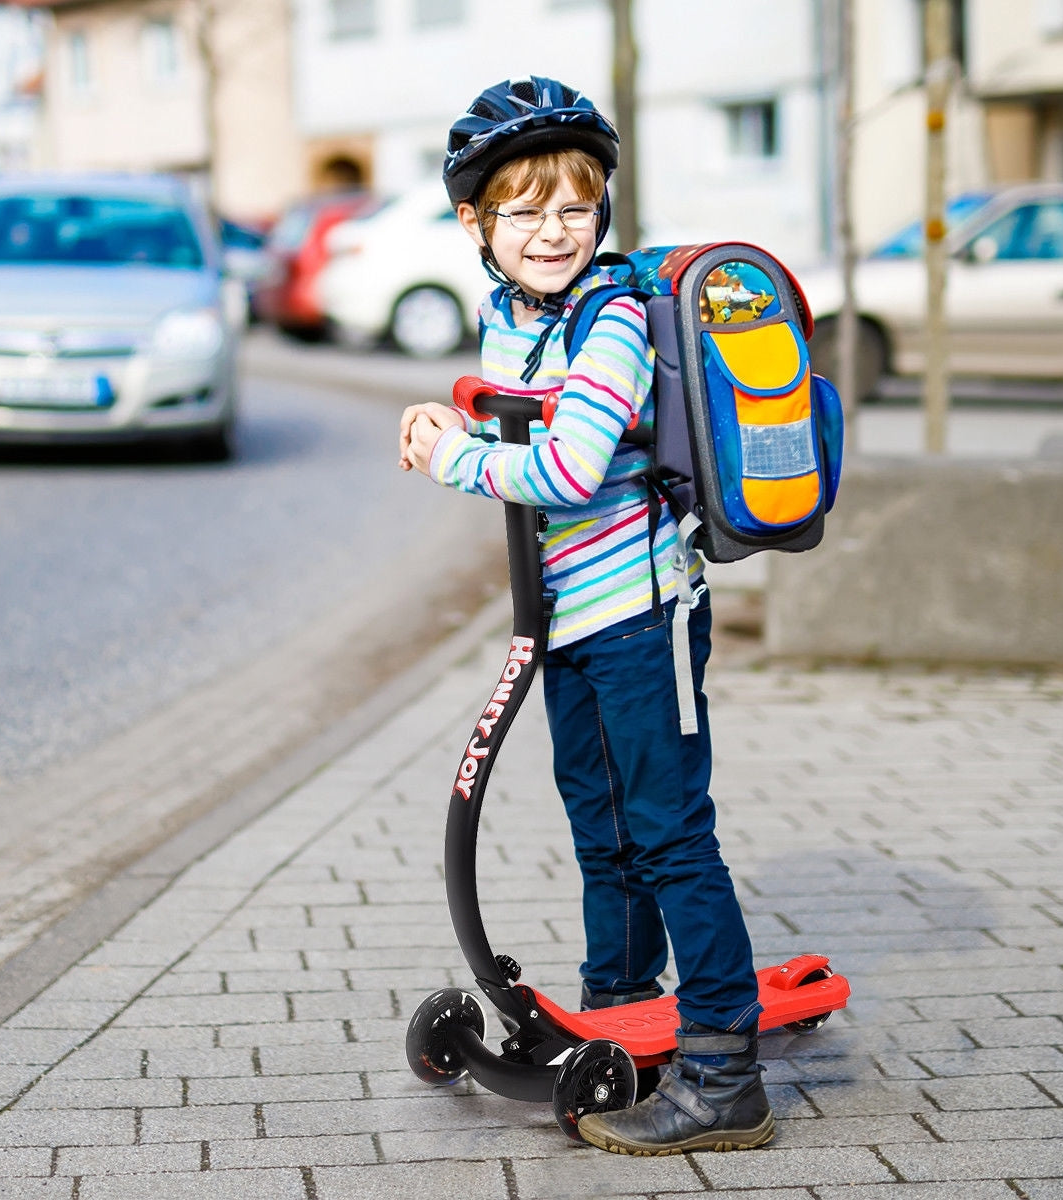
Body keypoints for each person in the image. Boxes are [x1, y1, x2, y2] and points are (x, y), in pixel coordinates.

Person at [397, 76, 772, 1157]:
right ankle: (620, 1017)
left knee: (668, 835)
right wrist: (456, 413)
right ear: (476, 223)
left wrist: (447, 456)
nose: (553, 230)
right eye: (524, 211)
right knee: (600, 830)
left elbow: (563, 466)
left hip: (642, 611)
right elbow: (511, 409)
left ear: (602, 207)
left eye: (575, 205)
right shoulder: (508, 310)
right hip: (565, 620)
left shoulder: (610, 316)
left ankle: (722, 1070)